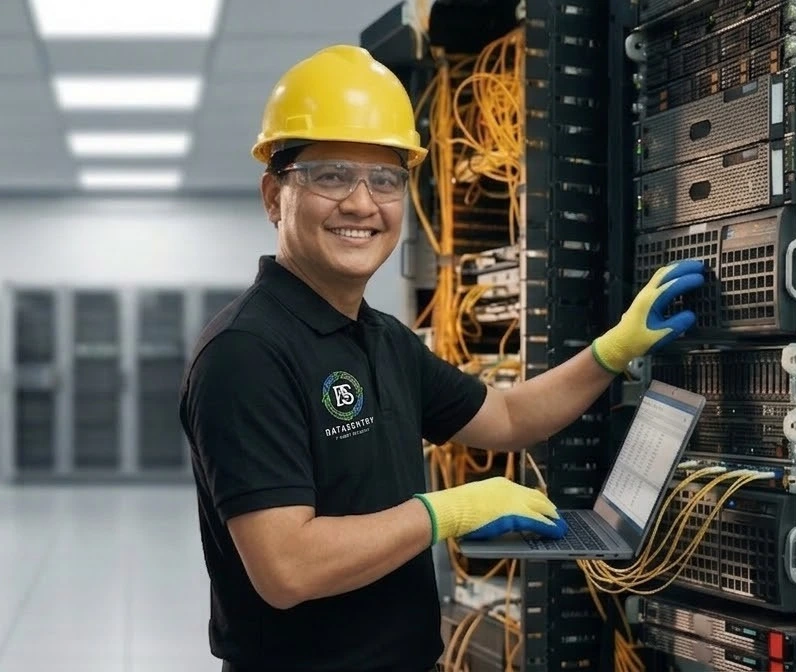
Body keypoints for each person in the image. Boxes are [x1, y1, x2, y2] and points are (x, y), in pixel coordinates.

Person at [177, 44, 707, 672]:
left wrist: (614, 350)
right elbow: (287, 568)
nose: (362, 203)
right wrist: (448, 511)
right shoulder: (246, 353)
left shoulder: (381, 337)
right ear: (274, 196)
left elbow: (508, 418)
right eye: (331, 176)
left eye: (385, 180)